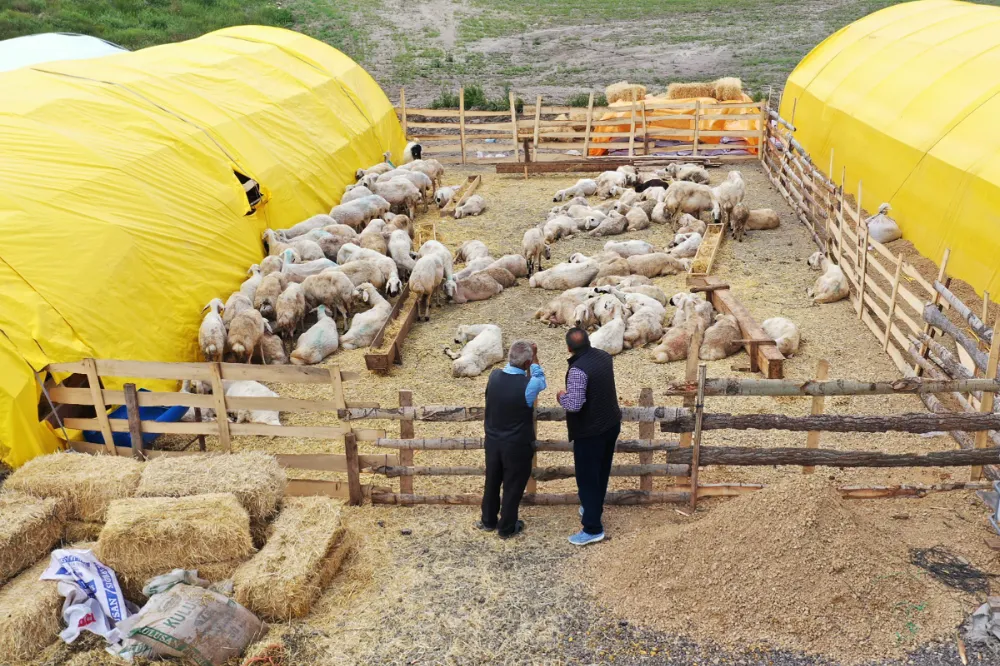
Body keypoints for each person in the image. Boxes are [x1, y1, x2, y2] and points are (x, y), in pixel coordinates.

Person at [557, 327, 621, 546]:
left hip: (590, 431)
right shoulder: (603, 356)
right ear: (589, 341)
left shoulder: (578, 370)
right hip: (610, 423)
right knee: (601, 471)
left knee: (587, 477)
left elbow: (574, 405)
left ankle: (593, 527)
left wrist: (561, 396)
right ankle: (592, 506)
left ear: (569, 348)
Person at [477, 340, 547, 539]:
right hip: (516, 444)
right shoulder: (529, 384)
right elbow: (541, 379)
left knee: (492, 481)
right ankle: (507, 526)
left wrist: (529, 358)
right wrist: (535, 358)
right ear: (527, 364)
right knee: (513, 485)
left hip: (493, 440)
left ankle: (488, 520)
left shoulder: (494, 376)